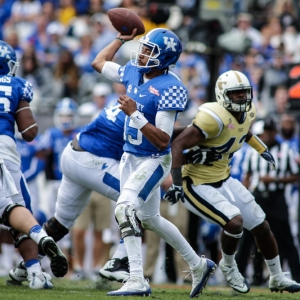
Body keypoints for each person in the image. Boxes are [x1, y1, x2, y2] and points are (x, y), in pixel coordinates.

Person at [91, 27, 217, 297]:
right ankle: (198, 264)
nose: (143, 53)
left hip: (153, 159)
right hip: (130, 157)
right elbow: (98, 63)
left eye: (150, 50)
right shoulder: (136, 71)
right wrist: (119, 39)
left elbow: (162, 140)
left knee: (125, 209)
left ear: (166, 58)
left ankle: (137, 278)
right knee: (150, 219)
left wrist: (135, 115)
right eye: (144, 47)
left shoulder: (171, 87)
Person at [163, 69, 300, 294]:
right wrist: (177, 182)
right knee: (234, 223)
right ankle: (228, 266)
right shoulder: (212, 118)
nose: (242, 98)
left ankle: (276, 277)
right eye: (236, 94)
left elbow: (243, 131)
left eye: (244, 93)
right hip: (195, 183)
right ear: (223, 95)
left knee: (262, 226)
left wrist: (261, 149)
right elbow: (177, 145)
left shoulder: (247, 113)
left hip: (224, 179)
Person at [0, 40, 68, 288]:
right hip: (4, 148)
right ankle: (36, 267)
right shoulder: (16, 84)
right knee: (19, 212)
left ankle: (32, 268)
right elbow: (29, 132)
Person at [237, 118, 300, 284]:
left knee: (286, 238)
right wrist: (244, 196)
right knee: (248, 238)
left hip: (277, 198)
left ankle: (297, 276)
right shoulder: (252, 151)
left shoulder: (286, 149)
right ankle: (238, 275)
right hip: (257, 197)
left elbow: (296, 175)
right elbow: (247, 176)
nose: (267, 135)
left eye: (270, 131)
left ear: (274, 132)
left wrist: (276, 180)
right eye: (264, 132)